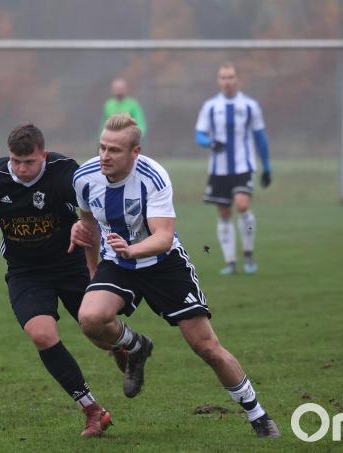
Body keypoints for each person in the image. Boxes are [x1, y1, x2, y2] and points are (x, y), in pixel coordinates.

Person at [68, 113, 280, 438]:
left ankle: (258, 414)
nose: (105, 156)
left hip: (163, 264)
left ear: (134, 153)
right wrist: (94, 271)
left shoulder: (153, 177)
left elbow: (163, 237)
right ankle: (136, 346)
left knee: (206, 346)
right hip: (118, 262)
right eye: (102, 147)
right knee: (90, 319)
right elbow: (87, 226)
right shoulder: (84, 177)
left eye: (114, 150)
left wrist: (132, 250)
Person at [0, 123, 112, 437]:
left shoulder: (64, 172)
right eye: (15, 161)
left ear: (43, 155)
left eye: (29, 162)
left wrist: (93, 262)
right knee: (41, 334)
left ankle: (125, 346)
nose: (21, 169)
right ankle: (92, 410)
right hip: (25, 271)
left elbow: (90, 215)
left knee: (100, 333)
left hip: (69, 263)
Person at [194, 62, 272, 275]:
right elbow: (199, 134)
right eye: (223, 77)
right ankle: (230, 261)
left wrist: (267, 167)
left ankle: (248, 252)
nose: (227, 81)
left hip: (243, 167)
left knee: (243, 205)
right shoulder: (210, 107)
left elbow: (260, 137)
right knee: (224, 213)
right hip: (219, 170)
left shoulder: (250, 106)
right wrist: (209, 143)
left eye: (231, 77)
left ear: (238, 79)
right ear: (218, 81)